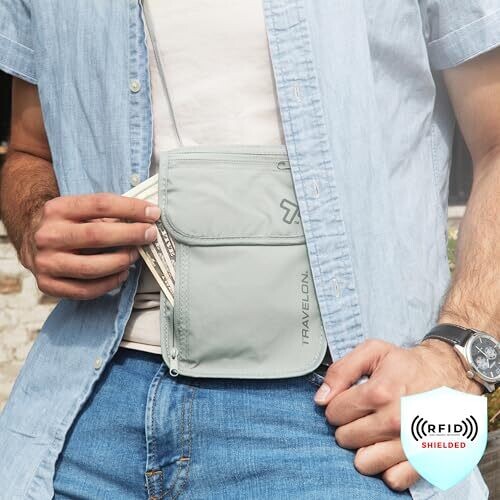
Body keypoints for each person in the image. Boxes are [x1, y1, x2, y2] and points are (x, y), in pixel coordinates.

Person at [0, 1, 499, 498]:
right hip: (85, 408)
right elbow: (29, 151)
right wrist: (32, 220)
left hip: (344, 411)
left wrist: (458, 362)